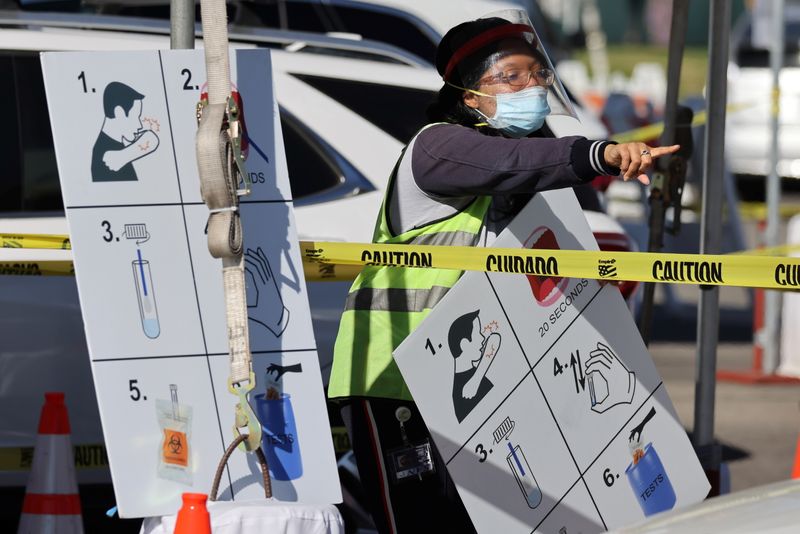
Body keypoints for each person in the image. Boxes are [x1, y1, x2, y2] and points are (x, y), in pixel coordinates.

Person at [328, 10, 678, 534]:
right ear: (469, 95)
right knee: (419, 523)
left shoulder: (527, 164)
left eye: (537, 74)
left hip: (474, 386)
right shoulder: (439, 146)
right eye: (510, 76)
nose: (531, 87)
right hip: (394, 379)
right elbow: (514, 159)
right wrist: (601, 153)